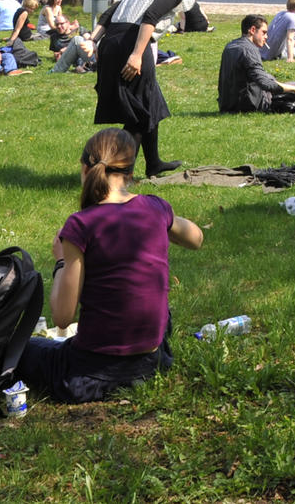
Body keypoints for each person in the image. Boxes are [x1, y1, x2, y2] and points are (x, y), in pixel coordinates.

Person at [13, 129, 203, 404]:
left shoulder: (80, 225)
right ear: (130, 172)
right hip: (153, 361)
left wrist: (61, 261)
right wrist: (162, 222)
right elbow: (196, 239)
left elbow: (63, 317)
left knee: (23, 347)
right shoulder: (154, 207)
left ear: (85, 168)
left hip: (92, 371)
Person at [98, 0, 206, 175]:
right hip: (132, 43)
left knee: (150, 102)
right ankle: (117, 173)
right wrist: (137, 54)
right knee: (139, 114)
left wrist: (92, 39)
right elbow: (150, 18)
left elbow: (110, 12)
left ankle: (153, 163)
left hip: (112, 41)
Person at [217, 12, 295, 115]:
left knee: (271, 78)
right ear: (253, 30)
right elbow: (267, 84)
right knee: (291, 87)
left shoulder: (230, 46)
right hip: (246, 105)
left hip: (226, 103)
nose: (266, 37)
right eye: (264, 32)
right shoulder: (249, 50)